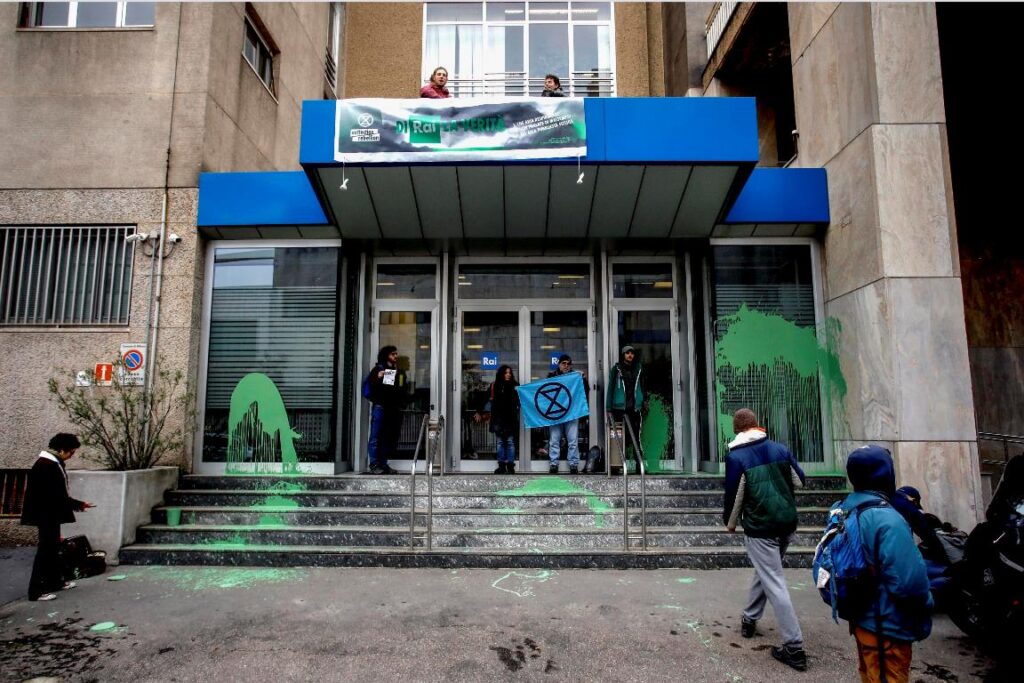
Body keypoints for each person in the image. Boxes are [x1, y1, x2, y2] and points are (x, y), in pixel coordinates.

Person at [723, 408, 808, 671]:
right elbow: (800, 481)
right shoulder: (780, 449)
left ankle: (794, 648)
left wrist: (731, 522)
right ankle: (749, 618)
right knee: (767, 571)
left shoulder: (736, 456)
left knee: (774, 581)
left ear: (737, 430)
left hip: (762, 527)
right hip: (786, 523)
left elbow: (735, 493)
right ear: (757, 425)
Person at [840, 445, 933, 683]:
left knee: (870, 673)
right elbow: (909, 583)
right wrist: (928, 603)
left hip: (862, 619)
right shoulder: (887, 519)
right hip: (887, 624)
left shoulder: (845, 509)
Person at [20, 433, 93, 602]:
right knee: (45, 550)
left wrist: (79, 504)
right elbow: (55, 495)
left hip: (49, 514)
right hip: (47, 515)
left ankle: (55, 581)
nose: (71, 456)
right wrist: (77, 504)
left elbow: (58, 494)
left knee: (52, 548)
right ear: (62, 450)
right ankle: (36, 590)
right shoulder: (47, 466)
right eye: (71, 452)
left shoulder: (52, 463)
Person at [365, 346, 407, 474]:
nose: (395, 356)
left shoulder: (394, 370)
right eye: (393, 354)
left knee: (386, 437)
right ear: (386, 355)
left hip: (390, 409)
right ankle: (374, 464)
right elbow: (372, 386)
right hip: (380, 408)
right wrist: (378, 377)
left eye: (396, 354)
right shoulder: (378, 369)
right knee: (376, 436)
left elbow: (392, 391)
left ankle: (383, 464)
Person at [546, 354, 588, 474]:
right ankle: (554, 464)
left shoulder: (576, 377)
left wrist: (583, 379)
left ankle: (573, 464)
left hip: (571, 413)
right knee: (554, 440)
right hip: (556, 414)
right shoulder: (551, 376)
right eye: (563, 363)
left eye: (568, 363)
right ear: (559, 364)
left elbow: (584, 392)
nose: (566, 366)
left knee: (573, 440)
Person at [606, 345, 644, 459]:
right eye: (627, 353)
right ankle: (619, 463)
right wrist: (608, 407)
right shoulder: (616, 369)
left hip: (634, 408)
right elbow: (611, 388)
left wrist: (641, 401)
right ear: (623, 355)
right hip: (619, 408)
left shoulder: (638, 369)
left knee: (636, 436)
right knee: (620, 436)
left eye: (632, 353)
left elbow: (642, 386)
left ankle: (639, 464)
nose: (630, 355)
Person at [481, 365, 520, 474]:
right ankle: (502, 465)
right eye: (506, 372)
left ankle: (510, 466)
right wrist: (479, 411)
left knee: (510, 442)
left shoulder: (515, 386)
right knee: (500, 443)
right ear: (501, 374)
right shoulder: (495, 385)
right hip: (498, 419)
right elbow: (485, 399)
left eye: (510, 373)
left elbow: (520, 402)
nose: (508, 374)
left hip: (510, 419)